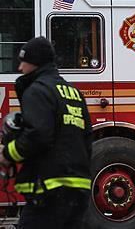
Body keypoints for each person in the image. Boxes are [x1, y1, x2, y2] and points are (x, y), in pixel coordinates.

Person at [0, 37, 92, 228]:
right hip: (79, 191)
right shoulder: (73, 93)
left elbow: (38, 135)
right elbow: (86, 140)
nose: (20, 68)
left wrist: (7, 154)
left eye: (23, 62)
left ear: (35, 63)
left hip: (49, 191)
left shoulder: (37, 91)